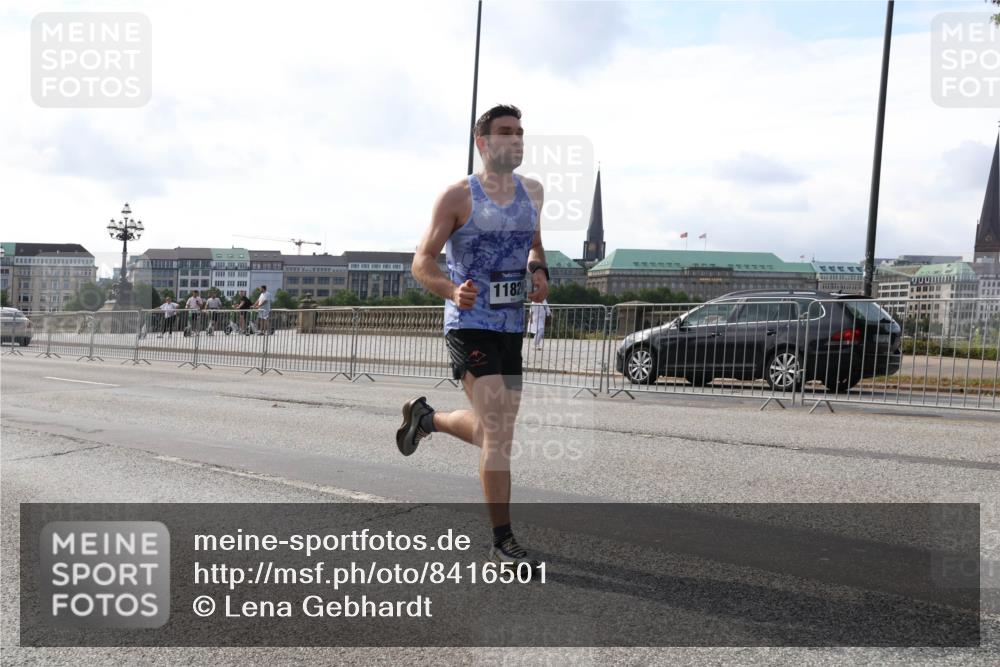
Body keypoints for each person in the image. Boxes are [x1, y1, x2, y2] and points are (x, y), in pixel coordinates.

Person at [399, 104, 549, 568]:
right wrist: (449, 288)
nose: (516, 139)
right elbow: (421, 260)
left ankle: (427, 419)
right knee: (499, 435)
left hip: (510, 325)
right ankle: (502, 540)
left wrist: (538, 270)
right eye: (505, 132)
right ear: (481, 142)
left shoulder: (534, 193)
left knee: (492, 431)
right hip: (468, 324)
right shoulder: (458, 196)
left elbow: (534, 243)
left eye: (520, 132)